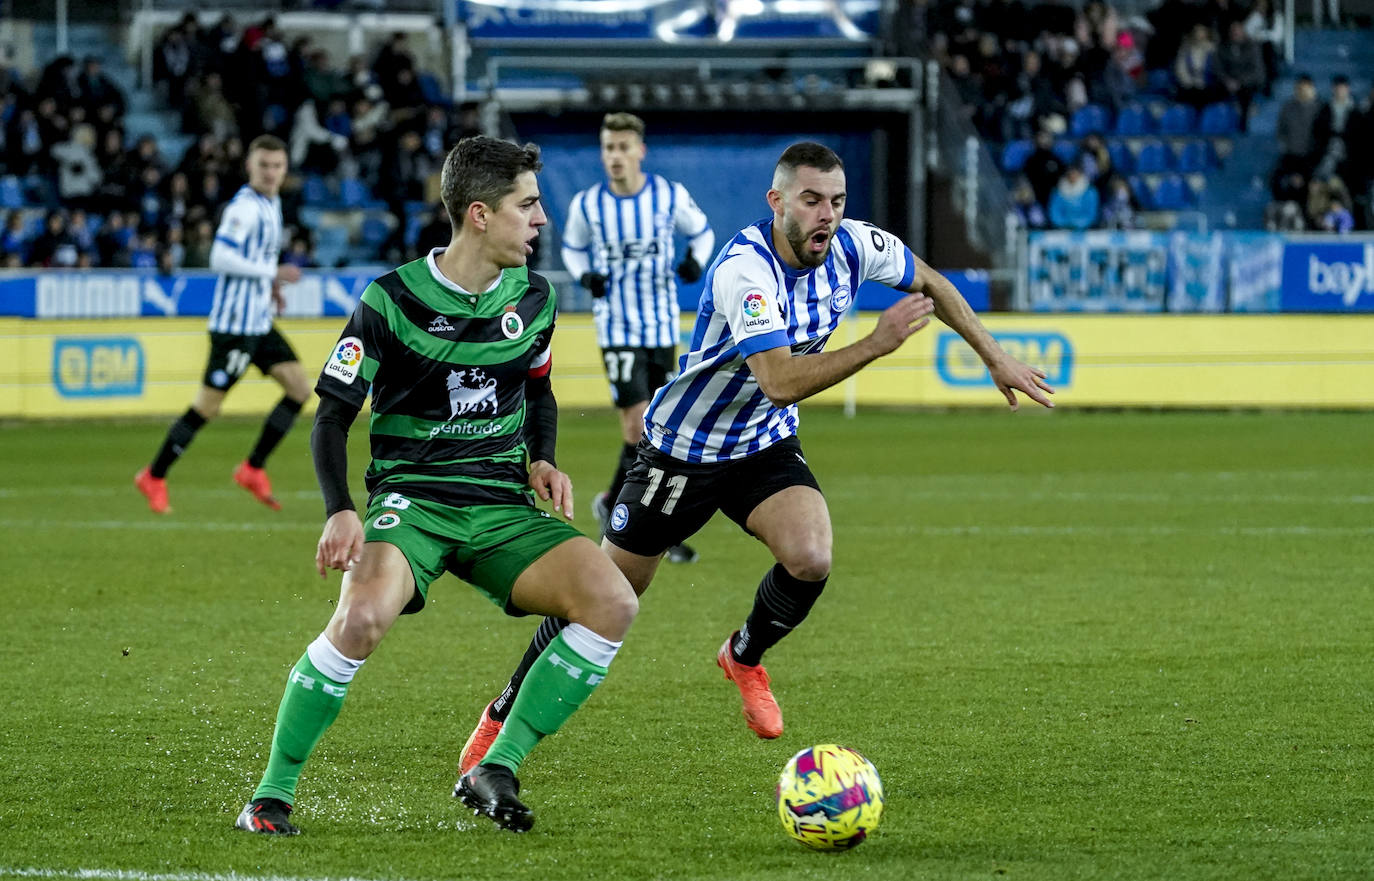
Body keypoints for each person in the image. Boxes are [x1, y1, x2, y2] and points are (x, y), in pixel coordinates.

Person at [454, 141, 1054, 775]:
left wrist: (996, 355)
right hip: (683, 450)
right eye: (812, 200)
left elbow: (931, 278)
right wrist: (876, 343)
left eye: (838, 202)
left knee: (811, 555)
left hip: (762, 442)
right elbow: (780, 381)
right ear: (777, 202)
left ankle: (743, 654)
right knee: (605, 593)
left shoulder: (855, 245)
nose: (828, 215)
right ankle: (501, 712)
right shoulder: (747, 269)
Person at [232, 136, 637, 836]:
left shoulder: (534, 298)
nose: (541, 220)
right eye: (529, 205)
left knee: (612, 600)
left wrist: (543, 456)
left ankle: (495, 763)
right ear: (479, 214)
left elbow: (538, 390)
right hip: (411, 503)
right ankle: (270, 795)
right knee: (358, 620)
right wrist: (340, 510)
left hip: (502, 504)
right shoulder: (389, 301)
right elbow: (330, 418)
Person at [561, 112, 716, 564]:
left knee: (660, 426)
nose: (615, 156)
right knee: (637, 424)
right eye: (609, 148)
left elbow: (702, 232)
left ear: (640, 151)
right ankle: (631, 517)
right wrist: (583, 274)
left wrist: (695, 260)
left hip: (662, 326)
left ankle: (629, 511)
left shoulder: (668, 196)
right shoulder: (589, 205)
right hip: (617, 326)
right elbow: (571, 247)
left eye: (623, 147)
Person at [135, 134, 307, 514]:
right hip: (234, 328)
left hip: (258, 322)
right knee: (207, 407)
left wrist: (269, 288)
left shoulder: (273, 202)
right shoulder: (242, 209)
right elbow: (220, 258)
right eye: (264, 165)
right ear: (249, 166)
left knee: (298, 387)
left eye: (277, 166)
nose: (271, 173)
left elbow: (255, 259)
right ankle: (155, 474)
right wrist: (272, 271)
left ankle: (252, 469)